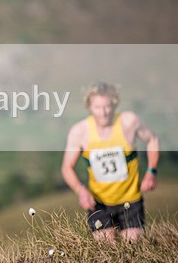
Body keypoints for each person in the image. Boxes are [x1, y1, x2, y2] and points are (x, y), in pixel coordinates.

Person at [61, 82, 160, 242]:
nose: (104, 112)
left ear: (114, 105)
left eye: (108, 106)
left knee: (133, 250)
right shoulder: (80, 131)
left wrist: (151, 171)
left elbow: (152, 140)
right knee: (105, 252)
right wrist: (81, 191)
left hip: (130, 200)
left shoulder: (129, 122)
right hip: (99, 203)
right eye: (98, 107)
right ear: (89, 107)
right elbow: (67, 167)